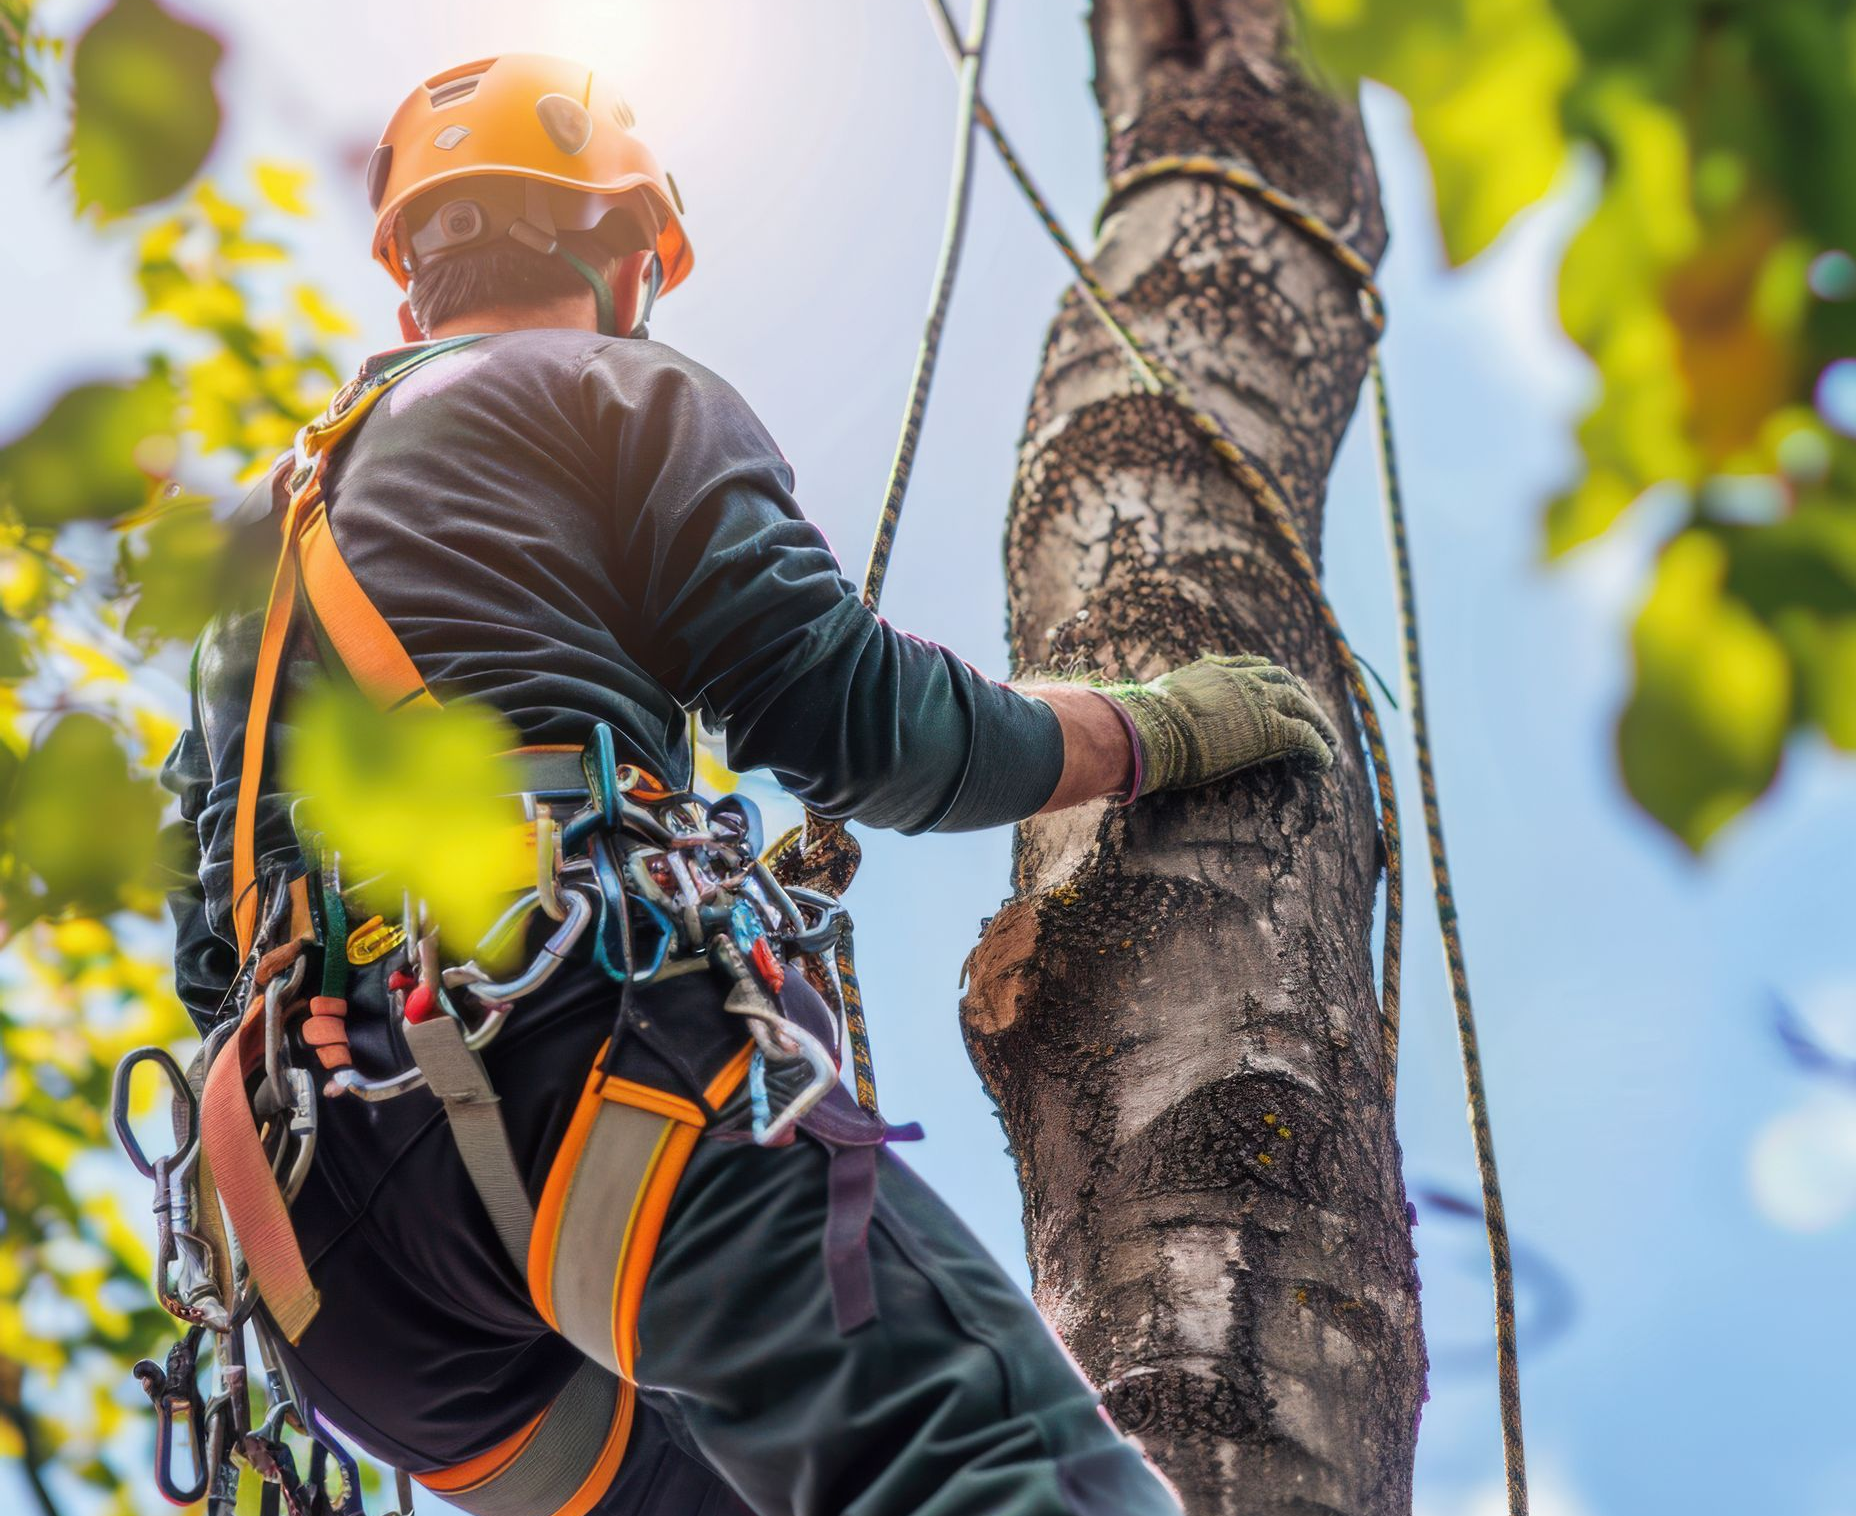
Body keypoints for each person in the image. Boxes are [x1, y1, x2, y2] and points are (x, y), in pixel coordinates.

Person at [161, 54, 1340, 1516]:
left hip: (337, 1269)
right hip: (580, 1072)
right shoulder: (614, 387)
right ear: (623, 252)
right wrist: (1150, 730)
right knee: (1010, 1479)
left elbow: (212, 946)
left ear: (415, 288)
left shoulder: (250, 568)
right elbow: (854, 717)